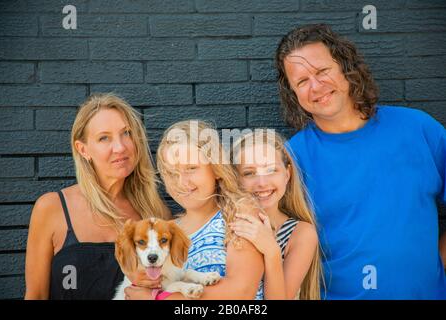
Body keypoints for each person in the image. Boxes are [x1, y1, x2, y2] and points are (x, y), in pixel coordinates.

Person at [277, 23, 446, 299]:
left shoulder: (418, 129)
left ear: (345, 66)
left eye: (322, 71)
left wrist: (437, 262)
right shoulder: (292, 160)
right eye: (302, 81)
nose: (316, 86)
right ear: (293, 93)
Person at [25, 93, 170, 299]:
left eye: (126, 133)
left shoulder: (154, 212)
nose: (120, 147)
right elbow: (36, 295)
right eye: (104, 138)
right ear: (83, 149)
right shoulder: (52, 208)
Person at [124, 120, 265, 300]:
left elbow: (242, 291)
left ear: (215, 169)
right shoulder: (166, 230)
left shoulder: (239, 213)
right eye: (172, 173)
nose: (182, 182)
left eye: (191, 168)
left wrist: (158, 298)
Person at [230, 129, 323, 299]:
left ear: (287, 174)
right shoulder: (227, 225)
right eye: (249, 173)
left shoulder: (300, 233)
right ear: (235, 178)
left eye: (272, 170)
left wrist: (271, 250)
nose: (262, 183)